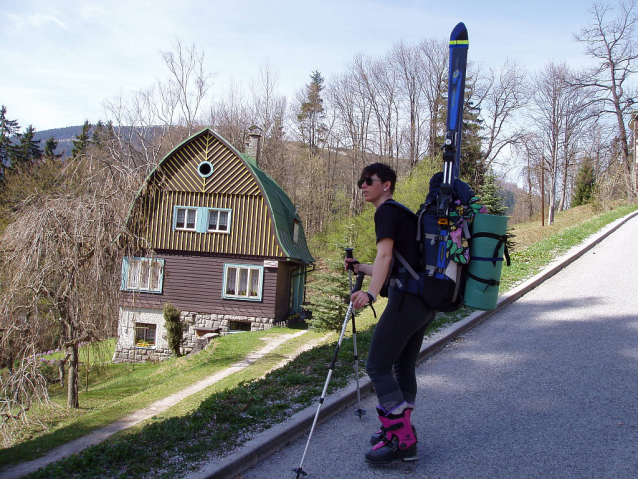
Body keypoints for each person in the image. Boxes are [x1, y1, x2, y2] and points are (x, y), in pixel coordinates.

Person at [346, 163, 436, 465]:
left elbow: (385, 255)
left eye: (368, 181)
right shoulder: (402, 212)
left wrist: (370, 292)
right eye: (361, 181)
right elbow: (394, 263)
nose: (363, 186)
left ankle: (401, 438)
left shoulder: (385, 211)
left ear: (386, 184)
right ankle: (402, 432)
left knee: (377, 367)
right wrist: (362, 269)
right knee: (403, 365)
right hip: (423, 301)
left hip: (406, 301)